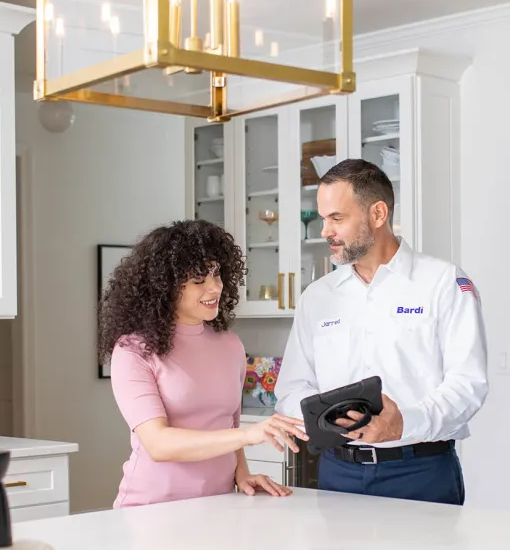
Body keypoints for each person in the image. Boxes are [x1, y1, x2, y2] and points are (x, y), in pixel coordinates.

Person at [275, 159, 488, 505]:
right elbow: (291, 388)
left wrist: (403, 423)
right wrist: (331, 421)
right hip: (336, 473)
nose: (324, 231)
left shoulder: (443, 283)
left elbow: (468, 384)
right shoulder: (317, 296)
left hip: (420, 473)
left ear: (377, 214)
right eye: (323, 219)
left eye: (337, 218)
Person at [98, 220, 307, 508]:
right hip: (151, 509)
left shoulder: (230, 345)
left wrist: (242, 473)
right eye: (199, 281)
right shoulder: (133, 351)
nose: (215, 288)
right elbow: (158, 444)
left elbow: (227, 423)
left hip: (219, 504)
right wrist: (248, 434)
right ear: (165, 287)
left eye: (216, 275)